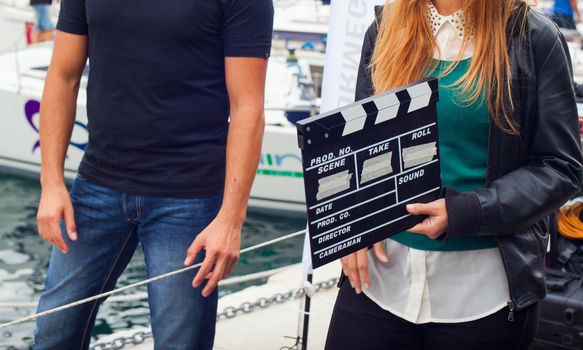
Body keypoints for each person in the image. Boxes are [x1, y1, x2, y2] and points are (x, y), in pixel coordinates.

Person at [325, 1, 583, 349]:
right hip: (377, 285)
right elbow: (363, 147)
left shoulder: (533, 38)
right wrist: (355, 227)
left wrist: (468, 210)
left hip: (483, 299)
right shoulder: (384, 27)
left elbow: (560, 166)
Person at [33, 0, 273, 349]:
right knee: (54, 335)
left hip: (189, 201)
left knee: (181, 343)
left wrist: (231, 220)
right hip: (97, 184)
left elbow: (248, 108)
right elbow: (62, 76)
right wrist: (51, 182)